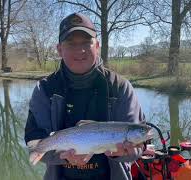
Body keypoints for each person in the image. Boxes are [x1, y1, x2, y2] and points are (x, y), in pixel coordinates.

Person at [24, 13, 146, 180]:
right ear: (59, 49)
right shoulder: (44, 89)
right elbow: (34, 140)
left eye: (86, 42)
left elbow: (139, 146)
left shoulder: (120, 87)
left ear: (96, 45)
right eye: (71, 43)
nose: (80, 50)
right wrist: (62, 156)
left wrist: (126, 153)